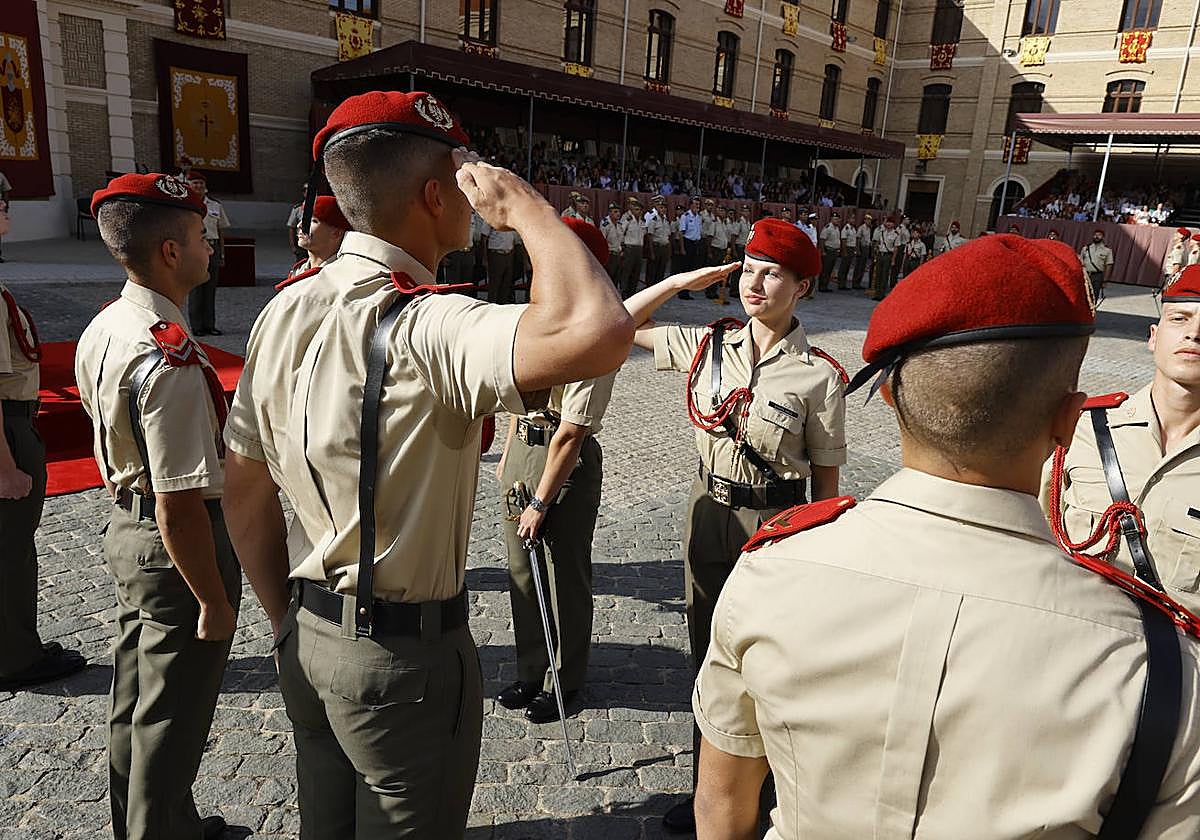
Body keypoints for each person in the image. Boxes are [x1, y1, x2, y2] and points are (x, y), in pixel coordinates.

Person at [220, 90, 634, 838]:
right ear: (438, 196)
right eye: (464, 178)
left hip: (310, 633)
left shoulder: (285, 307)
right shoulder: (428, 321)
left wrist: (284, 621)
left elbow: (244, 484)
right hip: (402, 658)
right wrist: (526, 207)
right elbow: (597, 327)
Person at [692, 233, 1200, 839]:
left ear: (888, 397)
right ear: (1070, 421)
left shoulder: (768, 576)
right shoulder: (1168, 674)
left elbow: (721, 805)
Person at [625, 220, 847, 833]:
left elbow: (826, 485)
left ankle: (764, 787)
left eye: (772, 273)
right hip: (707, 512)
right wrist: (680, 281)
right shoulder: (707, 345)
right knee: (706, 653)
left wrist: (815, 558)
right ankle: (708, 788)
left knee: (766, 660)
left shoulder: (818, 375)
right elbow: (615, 324)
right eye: (749, 268)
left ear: (802, 288)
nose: (755, 283)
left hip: (774, 523)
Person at [80, 173, 241, 840]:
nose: (212, 246)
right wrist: (212, 599)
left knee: (135, 698)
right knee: (174, 711)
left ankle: (154, 822)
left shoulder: (107, 324)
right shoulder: (165, 355)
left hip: (128, 525)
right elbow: (179, 504)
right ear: (170, 252)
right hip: (176, 545)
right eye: (202, 236)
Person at [495, 217, 615, 723]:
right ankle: (531, 670)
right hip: (526, 448)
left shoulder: (597, 330)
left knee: (564, 576)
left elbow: (571, 432)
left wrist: (541, 500)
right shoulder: (534, 319)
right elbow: (518, 396)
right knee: (522, 572)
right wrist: (508, 456)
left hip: (564, 461)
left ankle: (565, 680)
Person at [1044, 264, 1200, 616]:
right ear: (1153, 337)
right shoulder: (1082, 429)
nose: (1194, 334)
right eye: (1179, 319)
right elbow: (1032, 533)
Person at [0, 283, 86, 691]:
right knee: (10, 548)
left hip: (15, 421)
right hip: (9, 427)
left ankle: (16, 646)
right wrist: (5, 468)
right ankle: (14, 659)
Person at [186, 173, 230, 337]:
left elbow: (220, 230)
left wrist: (222, 254)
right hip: (194, 247)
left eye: (201, 183)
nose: (198, 186)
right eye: (195, 183)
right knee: (196, 287)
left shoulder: (215, 205)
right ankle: (196, 326)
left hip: (213, 246)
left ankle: (209, 325)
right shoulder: (185, 205)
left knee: (210, 288)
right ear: (189, 185)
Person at [289, 195, 349, 277]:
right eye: (303, 219)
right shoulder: (298, 271)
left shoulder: (342, 275)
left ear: (336, 233)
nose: (299, 225)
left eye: (314, 221)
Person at [442, 209, 481, 287]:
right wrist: (443, 256)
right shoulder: (452, 215)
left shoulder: (475, 216)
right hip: (455, 253)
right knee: (453, 284)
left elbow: (476, 237)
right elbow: (444, 236)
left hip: (469, 253)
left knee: (466, 284)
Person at [616, 196, 646, 299]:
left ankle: (632, 294)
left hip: (639, 249)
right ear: (632, 210)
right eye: (636, 209)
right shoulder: (627, 220)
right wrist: (622, 247)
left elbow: (644, 235)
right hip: (629, 248)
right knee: (626, 272)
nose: (639, 212)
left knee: (636, 272)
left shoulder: (642, 221)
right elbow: (620, 233)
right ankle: (624, 293)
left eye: (640, 210)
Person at [483, 214, 517, 303]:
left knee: (506, 284)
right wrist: (484, 258)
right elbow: (484, 238)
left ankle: (502, 305)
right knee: (495, 284)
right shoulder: (491, 217)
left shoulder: (511, 219)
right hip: (496, 254)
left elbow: (514, 239)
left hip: (508, 254)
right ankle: (492, 306)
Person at [870, 216, 901, 301]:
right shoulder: (882, 232)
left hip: (888, 255)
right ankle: (877, 293)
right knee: (878, 275)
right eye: (888, 222)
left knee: (884, 275)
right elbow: (878, 243)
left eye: (891, 222)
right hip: (880, 254)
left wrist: (893, 260)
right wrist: (876, 251)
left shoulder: (896, 234)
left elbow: (896, 249)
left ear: (893, 224)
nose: (889, 224)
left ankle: (882, 294)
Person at [678, 197, 703, 299]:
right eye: (695, 204)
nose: (697, 206)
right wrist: (682, 248)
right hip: (687, 243)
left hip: (696, 244)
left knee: (692, 269)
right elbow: (681, 233)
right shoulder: (685, 216)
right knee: (685, 269)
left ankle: (687, 290)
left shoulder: (699, 217)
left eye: (698, 204)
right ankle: (682, 292)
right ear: (691, 205)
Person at [1080, 228, 1114, 302]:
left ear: (1103, 237)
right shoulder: (1086, 248)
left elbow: (1109, 266)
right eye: (1095, 235)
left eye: (1099, 235)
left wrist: (1105, 280)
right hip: (1085, 275)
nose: (1096, 236)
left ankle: (1092, 308)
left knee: (1094, 295)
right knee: (1082, 294)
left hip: (1097, 276)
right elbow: (1080, 262)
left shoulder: (1107, 250)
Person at [644, 195, 671, 287]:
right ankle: (649, 287)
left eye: (665, 208)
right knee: (652, 270)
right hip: (656, 247)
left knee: (661, 270)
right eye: (661, 207)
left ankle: (658, 288)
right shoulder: (653, 219)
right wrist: (651, 252)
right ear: (657, 207)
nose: (663, 209)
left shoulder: (666, 221)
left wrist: (668, 250)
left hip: (664, 247)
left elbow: (668, 236)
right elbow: (649, 236)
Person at [817, 212, 843, 292]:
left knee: (830, 269)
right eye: (835, 219)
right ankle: (822, 286)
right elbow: (822, 239)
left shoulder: (837, 228)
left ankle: (825, 285)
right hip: (828, 250)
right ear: (831, 219)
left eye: (837, 219)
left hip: (834, 251)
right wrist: (823, 251)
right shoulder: (828, 227)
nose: (837, 220)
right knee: (825, 269)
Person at [285, 183, 309, 262]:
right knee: (301, 264)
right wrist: (293, 246)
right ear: (303, 193)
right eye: (306, 190)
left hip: (314, 242)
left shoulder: (318, 207)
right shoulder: (297, 209)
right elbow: (291, 228)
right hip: (301, 243)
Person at [601, 201, 623, 282]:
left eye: (619, 212)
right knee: (608, 279)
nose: (618, 214)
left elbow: (620, 239)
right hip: (610, 256)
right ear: (610, 213)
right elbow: (602, 241)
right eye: (615, 212)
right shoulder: (605, 224)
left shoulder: (619, 224)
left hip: (618, 255)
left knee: (616, 279)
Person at [852, 213, 874, 289]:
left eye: (870, 220)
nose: (869, 221)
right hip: (862, 247)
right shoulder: (861, 228)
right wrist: (857, 249)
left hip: (867, 248)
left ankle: (858, 282)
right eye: (867, 220)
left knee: (863, 266)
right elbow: (858, 239)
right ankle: (855, 282)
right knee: (859, 266)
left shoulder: (869, 228)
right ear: (864, 220)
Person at [837, 213, 857, 290]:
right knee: (843, 267)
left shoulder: (853, 228)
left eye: (854, 219)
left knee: (847, 267)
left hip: (851, 249)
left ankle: (843, 283)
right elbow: (843, 240)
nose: (853, 220)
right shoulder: (846, 228)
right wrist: (844, 251)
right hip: (847, 248)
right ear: (848, 219)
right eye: (852, 218)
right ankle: (840, 284)